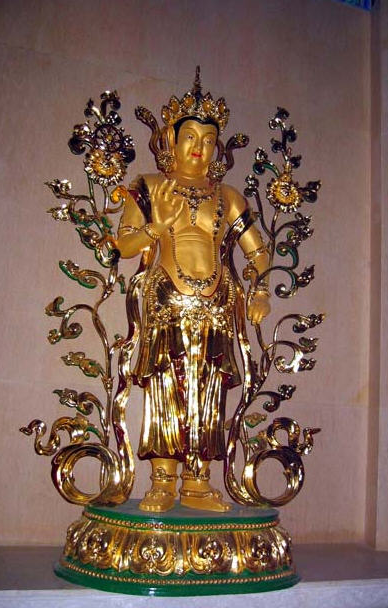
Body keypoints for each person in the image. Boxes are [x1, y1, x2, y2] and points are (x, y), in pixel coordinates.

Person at [113, 73, 271, 512]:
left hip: (217, 305)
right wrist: (155, 227)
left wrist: (259, 291)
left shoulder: (229, 197)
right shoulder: (148, 187)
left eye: (208, 139)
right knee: (166, 387)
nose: (199, 147)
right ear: (172, 139)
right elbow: (124, 245)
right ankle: (163, 480)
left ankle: (198, 482)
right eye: (190, 137)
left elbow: (259, 253)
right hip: (167, 300)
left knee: (209, 390)